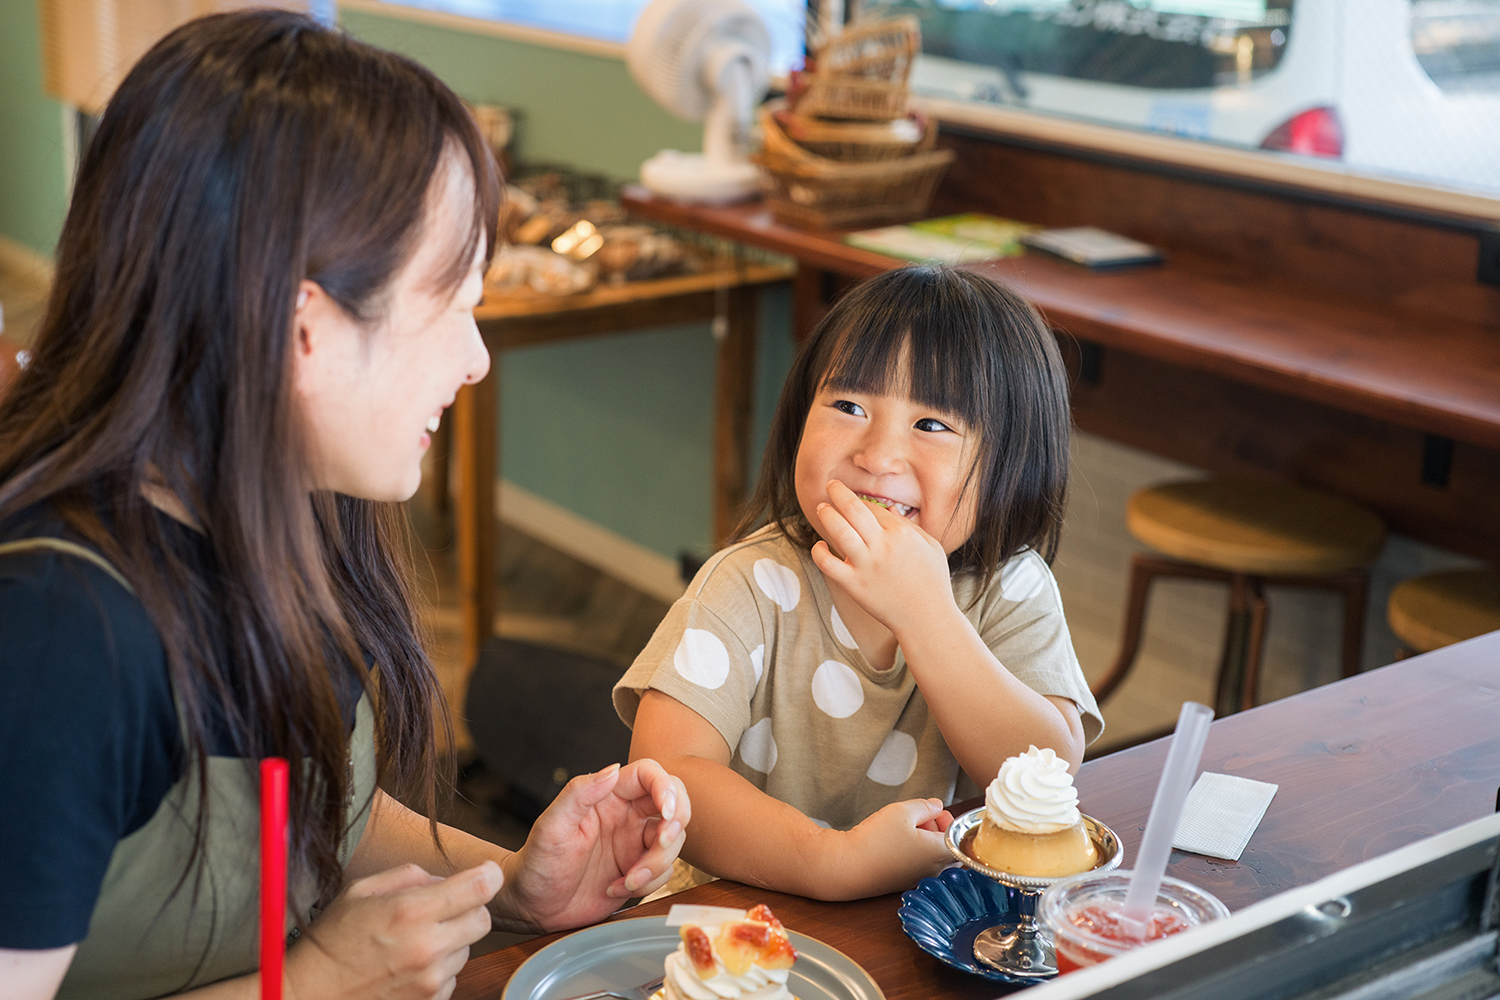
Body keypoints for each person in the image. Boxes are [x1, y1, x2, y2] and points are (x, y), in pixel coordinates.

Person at [0, 11, 688, 1000]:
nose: (476, 356)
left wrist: (510, 883)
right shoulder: (58, 641)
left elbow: (297, 815)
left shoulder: (280, 508)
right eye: (451, 301)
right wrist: (310, 982)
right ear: (305, 327)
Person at [615, 266, 1102, 900]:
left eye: (931, 425)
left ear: (1013, 462)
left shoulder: (1010, 588)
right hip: (733, 913)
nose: (876, 455)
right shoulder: (749, 584)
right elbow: (666, 774)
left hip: (925, 915)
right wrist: (831, 858)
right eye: (847, 407)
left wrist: (926, 616)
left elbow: (1046, 772)